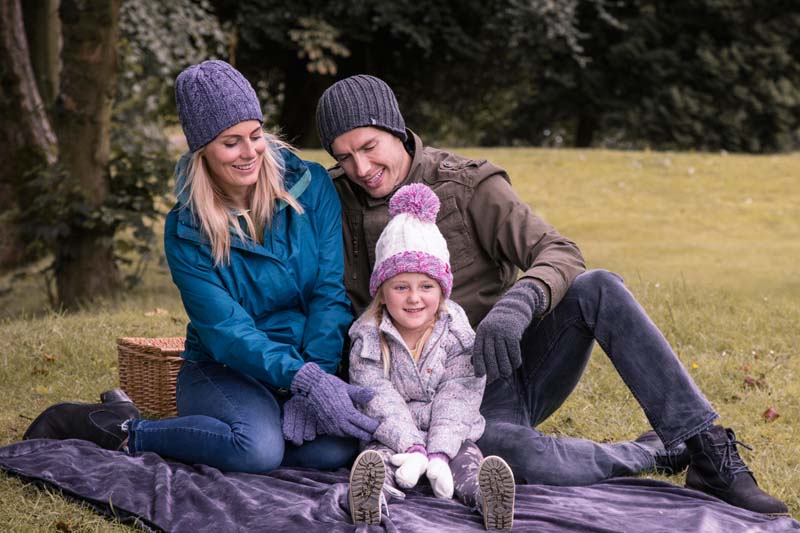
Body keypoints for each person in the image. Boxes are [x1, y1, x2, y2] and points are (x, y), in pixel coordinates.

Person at [314, 74, 788, 516]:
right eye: (344, 157)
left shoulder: (468, 184)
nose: (361, 167)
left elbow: (558, 251)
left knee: (598, 287)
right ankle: (649, 452)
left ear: (395, 128)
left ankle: (703, 447)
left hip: (491, 375)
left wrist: (519, 304)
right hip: (398, 397)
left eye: (370, 147)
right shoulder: (328, 200)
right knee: (520, 457)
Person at [24, 60, 379, 474]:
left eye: (255, 135)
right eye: (231, 142)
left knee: (335, 452)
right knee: (257, 450)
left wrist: (314, 377)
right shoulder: (185, 229)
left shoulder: (311, 184)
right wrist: (304, 380)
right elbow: (227, 333)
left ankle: (229, 434)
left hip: (300, 364)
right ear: (202, 150)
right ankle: (119, 427)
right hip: (223, 369)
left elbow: (328, 294)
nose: (250, 153)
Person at [346, 183, 515, 530]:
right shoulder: (368, 336)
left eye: (426, 286)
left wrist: (438, 451)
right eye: (400, 286)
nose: (414, 298)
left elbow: (459, 396)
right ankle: (370, 496)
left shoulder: (457, 334)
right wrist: (410, 445)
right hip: (391, 436)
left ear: (442, 290)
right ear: (382, 291)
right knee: (375, 459)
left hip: (450, 436)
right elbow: (376, 396)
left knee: (466, 462)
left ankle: (488, 497)